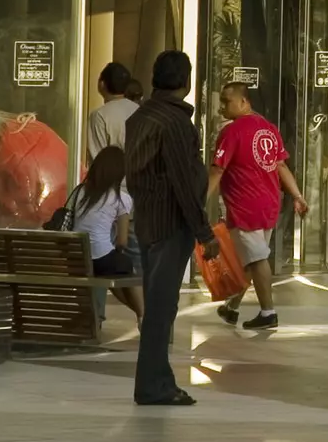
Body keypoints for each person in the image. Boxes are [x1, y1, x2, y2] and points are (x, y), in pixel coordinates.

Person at [123, 49, 218, 406]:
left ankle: (158, 380)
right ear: (187, 81)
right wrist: (204, 232)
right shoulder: (176, 123)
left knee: (160, 306)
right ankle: (153, 385)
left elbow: (136, 175)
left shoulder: (141, 117)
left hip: (148, 220)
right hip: (170, 224)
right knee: (162, 308)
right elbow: (183, 180)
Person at [206, 82, 306, 329]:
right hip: (269, 203)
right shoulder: (269, 129)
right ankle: (232, 307)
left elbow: (217, 170)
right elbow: (281, 166)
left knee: (257, 258)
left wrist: (199, 202)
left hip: (244, 206)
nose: (222, 108)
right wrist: (297, 195)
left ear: (244, 101)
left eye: (227, 102)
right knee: (251, 258)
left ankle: (268, 312)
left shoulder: (231, 132)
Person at [68, 144, 143, 322]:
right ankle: (143, 315)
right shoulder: (120, 198)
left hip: (76, 259)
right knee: (125, 268)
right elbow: (122, 242)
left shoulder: (79, 192)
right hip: (99, 260)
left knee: (115, 271)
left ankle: (143, 314)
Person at [84, 62, 141, 162]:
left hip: (113, 176)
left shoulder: (99, 115)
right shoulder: (140, 110)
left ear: (102, 84)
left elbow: (98, 159)